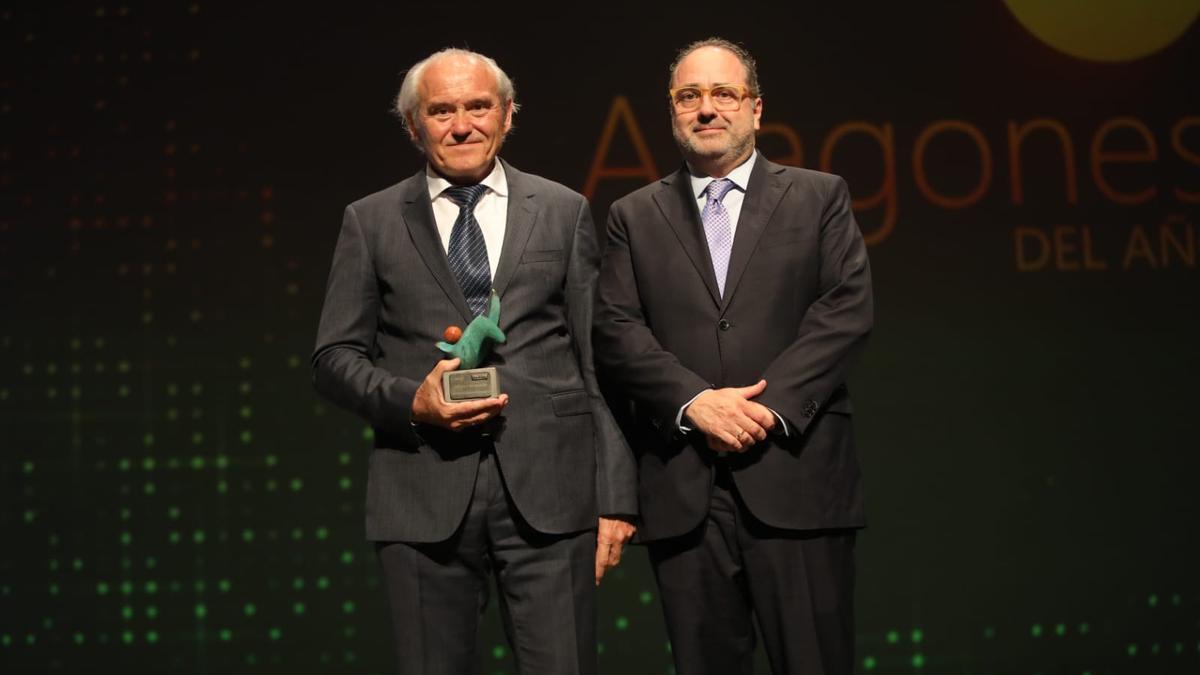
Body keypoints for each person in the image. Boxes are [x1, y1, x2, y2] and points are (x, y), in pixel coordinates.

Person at [312, 47, 636, 674]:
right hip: (421, 491)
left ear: (507, 115)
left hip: (551, 496)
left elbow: (601, 362)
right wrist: (412, 401)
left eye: (478, 106)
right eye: (441, 111)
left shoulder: (564, 211)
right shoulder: (371, 221)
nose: (462, 125)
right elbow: (333, 357)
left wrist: (616, 496)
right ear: (414, 125)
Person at [594, 38, 873, 675]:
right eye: (689, 96)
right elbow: (615, 329)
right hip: (685, 489)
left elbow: (844, 312)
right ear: (671, 111)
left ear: (755, 109)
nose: (707, 108)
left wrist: (761, 412)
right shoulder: (632, 216)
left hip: (796, 480)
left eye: (724, 94)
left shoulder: (819, 196)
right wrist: (696, 404)